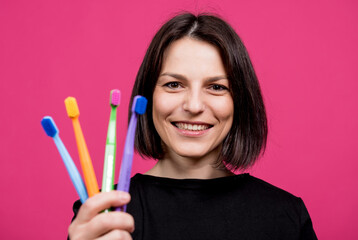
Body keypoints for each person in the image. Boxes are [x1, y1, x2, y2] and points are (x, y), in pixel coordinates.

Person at [68, 13, 317, 240]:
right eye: (174, 84)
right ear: (148, 97)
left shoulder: (286, 216)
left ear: (239, 101)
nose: (194, 105)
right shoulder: (101, 215)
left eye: (217, 87)